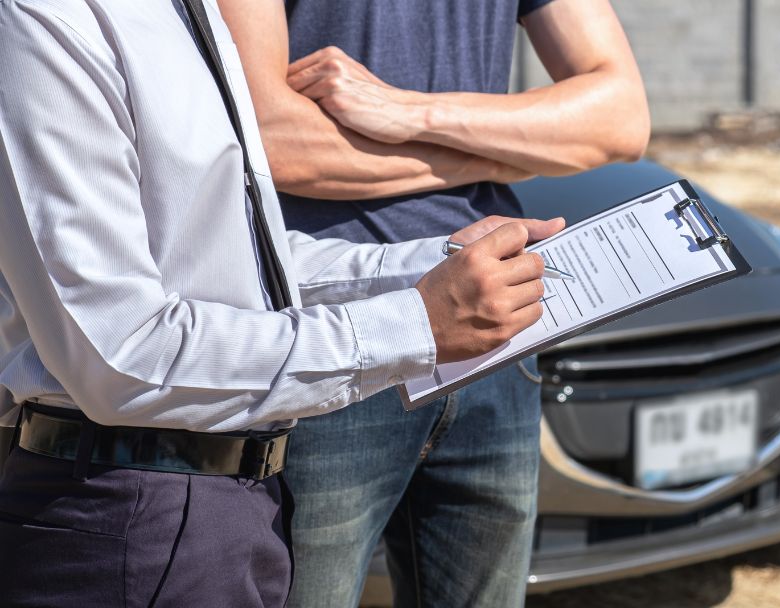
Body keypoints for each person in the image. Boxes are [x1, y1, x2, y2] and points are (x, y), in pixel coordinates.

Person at [0, 1, 563, 606]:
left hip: (239, 506)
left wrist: (433, 262)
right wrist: (413, 324)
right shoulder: (44, 17)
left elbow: (242, 264)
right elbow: (122, 355)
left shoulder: (183, 11)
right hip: (125, 512)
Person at [217, 1, 649, 605]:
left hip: (500, 325)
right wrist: (507, 149)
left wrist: (406, 111)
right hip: (334, 329)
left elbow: (620, 118)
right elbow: (271, 138)